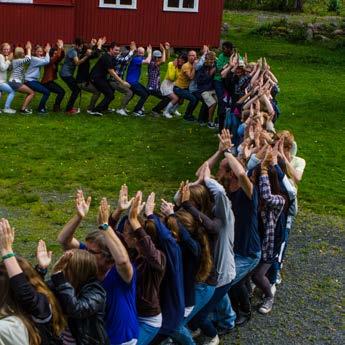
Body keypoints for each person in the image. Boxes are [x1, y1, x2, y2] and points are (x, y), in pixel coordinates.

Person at [57, 190, 139, 345]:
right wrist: (79, 217)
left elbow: (122, 261)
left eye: (91, 251)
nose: (84, 253)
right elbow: (63, 240)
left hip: (122, 339)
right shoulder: (90, 261)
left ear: (107, 257)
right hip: (100, 337)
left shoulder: (121, 273)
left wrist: (105, 227)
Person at [0, 218, 66, 345]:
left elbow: (25, 293)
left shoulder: (10, 327)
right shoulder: (41, 303)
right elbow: (28, 290)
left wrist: (7, 252)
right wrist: (40, 270)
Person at [50, 249, 109, 345]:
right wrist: (42, 269)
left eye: (65, 265)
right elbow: (40, 294)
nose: (62, 269)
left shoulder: (96, 291)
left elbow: (76, 309)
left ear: (76, 270)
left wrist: (59, 277)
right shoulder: (65, 285)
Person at [90, 42, 131, 116]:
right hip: (96, 78)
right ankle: (95, 110)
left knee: (110, 90)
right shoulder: (106, 57)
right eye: (115, 50)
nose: (117, 52)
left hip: (102, 78)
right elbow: (112, 72)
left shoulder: (112, 57)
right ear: (110, 49)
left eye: (118, 50)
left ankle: (104, 108)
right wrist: (122, 82)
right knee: (110, 95)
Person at [60, 38, 91, 114]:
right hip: (65, 74)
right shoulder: (73, 52)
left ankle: (69, 108)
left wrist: (92, 45)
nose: (81, 47)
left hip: (67, 74)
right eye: (80, 46)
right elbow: (77, 63)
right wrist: (86, 56)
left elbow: (84, 51)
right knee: (76, 90)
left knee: (76, 90)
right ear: (76, 45)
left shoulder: (76, 50)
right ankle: (68, 109)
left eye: (82, 46)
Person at [76, 37, 106, 116]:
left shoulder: (84, 55)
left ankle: (91, 107)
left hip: (84, 80)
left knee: (98, 90)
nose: (90, 51)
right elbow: (95, 54)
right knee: (97, 92)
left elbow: (93, 54)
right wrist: (99, 45)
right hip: (82, 82)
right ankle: (90, 109)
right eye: (88, 50)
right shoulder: (83, 57)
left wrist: (94, 45)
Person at [8, 41, 35, 114]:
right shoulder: (18, 61)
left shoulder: (15, 60)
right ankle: (23, 109)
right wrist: (29, 48)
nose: (24, 54)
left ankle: (24, 108)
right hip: (15, 82)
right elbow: (28, 59)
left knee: (29, 92)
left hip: (13, 81)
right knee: (32, 93)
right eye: (23, 53)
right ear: (20, 54)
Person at [109, 42, 136, 117]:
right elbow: (125, 60)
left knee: (131, 90)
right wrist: (132, 50)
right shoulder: (117, 57)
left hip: (117, 80)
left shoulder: (121, 56)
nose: (126, 53)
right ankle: (121, 109)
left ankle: (122, 107)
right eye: (125, 52)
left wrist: (132, 50)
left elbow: (128, 58)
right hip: (114, 81)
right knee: (129, 92)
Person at [126, 46, 152, 117]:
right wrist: (149, 52)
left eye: (142, 53)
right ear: (137, 52)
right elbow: (148, 61)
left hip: (134, 81)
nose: (141, 54)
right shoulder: (136, 59)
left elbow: (148, 59)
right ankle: (136, 111)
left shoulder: (139, 58)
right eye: (140, 52)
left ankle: (135, 108)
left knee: (146, 92)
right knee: (145, 94)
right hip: (132, 82)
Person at [24, 43, 51, 114]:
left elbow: (45, 58)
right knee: (47, 92)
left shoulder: (38, 58)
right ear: (34, 52)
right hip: (30, 81)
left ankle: (24, 107)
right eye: (38, 51)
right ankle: (40, 109)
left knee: (31, 93)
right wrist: (47, 52)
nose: (39, 53)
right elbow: (47, 61)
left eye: (41, 51)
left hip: (31, 80)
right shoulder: (34, 59)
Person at [173, 50, 198, 122]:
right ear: (188, 56)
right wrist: (194, 67)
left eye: (194, 55)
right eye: (190, 55)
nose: (192, 57)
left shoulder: (194, 64)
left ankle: (189, 114)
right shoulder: (186, 65)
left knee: (196, 98)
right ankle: (186, 116)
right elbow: (190, 77)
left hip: (185, 88)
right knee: (193, 99)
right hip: (178, 88)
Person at [214, 41, 234, 131]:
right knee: (221, 100)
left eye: (224, 48)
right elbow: (219, 69)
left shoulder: (236, 56)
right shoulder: (222, 56)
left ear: (230, 49)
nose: (223, 50)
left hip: (230, 81)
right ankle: (218, 121)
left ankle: (225, 122)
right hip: (219, 80)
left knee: (227, 102)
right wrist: (229, 65)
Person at [41, 39, 66, 112]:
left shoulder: (55, 61)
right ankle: (56, 107)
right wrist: (60, 47)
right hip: (47, 82)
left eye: (56, 53)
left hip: (49, 81)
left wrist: (61, 48)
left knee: (47, 94)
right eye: (54, 53)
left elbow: (61, 56)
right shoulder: (49, 60)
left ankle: (43, 106)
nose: (56, 54)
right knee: (61, 92)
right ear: (51, 54)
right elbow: (58, 56)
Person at [196, 51, 217, 128]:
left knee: (219, 101)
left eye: (213, 59)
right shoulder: (202, 68)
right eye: (210, 59)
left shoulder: (215, 65)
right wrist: (210, 74)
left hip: (212, 89)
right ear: (206, 59)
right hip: (203, 89)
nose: (211, 61)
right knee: (212, 103)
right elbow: (199, 81)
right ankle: (210, 121)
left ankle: (210, 120)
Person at [0, 42, 16, 114]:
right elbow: (3, 68)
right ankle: (6, 108)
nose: (6, 51)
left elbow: (8, 69)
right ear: (1, 50)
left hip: (2, 80)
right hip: (0, 81)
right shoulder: (0, 56)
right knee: (12, 91)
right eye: (5, 49)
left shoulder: (4, 57)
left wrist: (9, 61)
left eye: (8, 49)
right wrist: (9, 60)